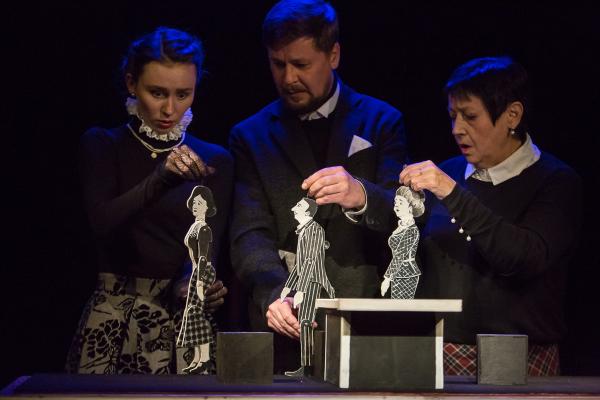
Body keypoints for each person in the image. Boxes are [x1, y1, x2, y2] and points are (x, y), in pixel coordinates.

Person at [229, 0, 408, 371]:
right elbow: (249, 232)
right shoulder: (251, 135)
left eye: (301, 64)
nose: (288, 78)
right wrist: (275, 294)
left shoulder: (382, 121)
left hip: (361, 318)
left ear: (334, 55)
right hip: (285, 324)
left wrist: (361, 195)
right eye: (278, 64)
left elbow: (405, 218)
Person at [400, 56, 582, 376]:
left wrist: (452, 192)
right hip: (437, 356)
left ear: (512, 115)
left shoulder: (556, 182)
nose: (457, 129)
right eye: (453, 116)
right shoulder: (449, 171)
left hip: (518, 363)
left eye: (470, 116)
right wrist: (361, 195)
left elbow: (522, 257)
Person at [66, 27, 233, 374]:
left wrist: (195, 284)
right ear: (131, 84)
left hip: (182, 321)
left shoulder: (213, 159)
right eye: (157, 93)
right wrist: (161, 178)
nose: (170, 108)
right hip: (116, 315)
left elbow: (206, 248)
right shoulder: (103, 145)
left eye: (183, 94)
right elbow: (102, 223)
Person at [279, 197, 335, 376]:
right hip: (307, 281)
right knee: (304, 323)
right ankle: (307, 367)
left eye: (298, 206)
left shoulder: (315, 230)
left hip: (313, 281)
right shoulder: (303, 230)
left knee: (305, 322)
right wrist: (288, 288)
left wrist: (301, 289)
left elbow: (310, 262)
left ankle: (309, 368)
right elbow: (299, 265)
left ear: (308, 212)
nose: (293, 208)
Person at [178, 186, 218, 374]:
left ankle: (205, 359)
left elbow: (203, 256)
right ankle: (197, 358)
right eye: (194, 201)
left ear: (207, 207)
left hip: (203, 271)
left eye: (200, 203)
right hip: (196, 271)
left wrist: (200, 281)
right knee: (193, 315)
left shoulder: (204, 228)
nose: (196, 205)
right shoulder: (195, 225)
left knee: (198, 314)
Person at [380, 186, 424, 299]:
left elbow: (400, 255)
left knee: (402, 307)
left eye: (400, 203)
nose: (396, 206)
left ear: (410, 207)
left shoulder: (412, 230)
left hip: (407, 274)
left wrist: (387, 279)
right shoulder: (401, 227)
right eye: (396, 202)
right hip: (397, 273)